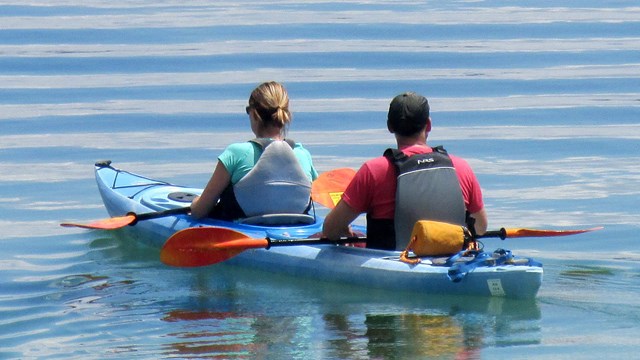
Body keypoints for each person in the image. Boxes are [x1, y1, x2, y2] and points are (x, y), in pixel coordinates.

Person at [322, 92, 487, 250]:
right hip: (453, 261)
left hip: (394, 266)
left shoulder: (373, 171)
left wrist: (345, 230)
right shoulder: (461, 167)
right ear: (428, 124)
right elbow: (480, 227)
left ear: (390, 126)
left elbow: (331, 230)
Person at [190, 81, 318, 221]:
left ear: (254, 114)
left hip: (242, 234)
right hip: (296, 232)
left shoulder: (236, 153)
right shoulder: (303, 155)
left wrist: (195, 202)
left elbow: (200, 211)